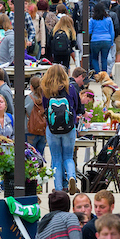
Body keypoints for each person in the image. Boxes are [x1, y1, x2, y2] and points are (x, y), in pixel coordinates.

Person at [41, 64, 79, 192]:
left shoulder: (45, 90)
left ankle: (58, 189)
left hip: (52, 129)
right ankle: (71, 177)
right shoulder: (71, 88)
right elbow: (77, 107)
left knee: (56, 158)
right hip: (69, 128)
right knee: (68, 156)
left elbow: (45, 109)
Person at [89, 3, 115, 74]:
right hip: (107, 40)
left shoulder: (92, 20)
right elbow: (112, 32)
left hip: (95, 40)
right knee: (104, 59)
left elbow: (89, 31)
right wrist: (112, 42)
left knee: (94, 58)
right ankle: (104, 74)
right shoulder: (109, 19)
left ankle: (98, 73)